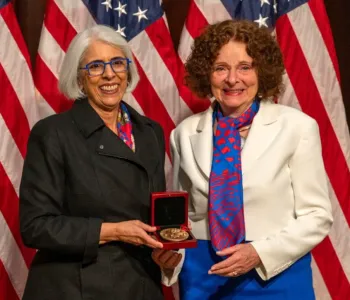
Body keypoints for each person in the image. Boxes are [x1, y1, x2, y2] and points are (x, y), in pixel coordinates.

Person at [160, 20, 333, 299]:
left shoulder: (297, 128)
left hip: (275, 275)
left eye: (245, 67)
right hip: (204, 277)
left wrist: (258, 253)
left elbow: (317, 216)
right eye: (220, 68)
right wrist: (171, 256)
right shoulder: (184, 133)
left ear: (261, 71)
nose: (232, 79)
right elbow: (180, 217)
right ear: (207, 74)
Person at [19, 24, 169, 300]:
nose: (109, 74)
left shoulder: (151, 132)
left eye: (117, 63)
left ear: (128, 70)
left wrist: (166, 252)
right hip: (75, 287)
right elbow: (35, 226)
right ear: (79, 78)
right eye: (96, 66)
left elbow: (156, 214)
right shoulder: (53, 133)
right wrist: (114, 231)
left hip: (140, 284)